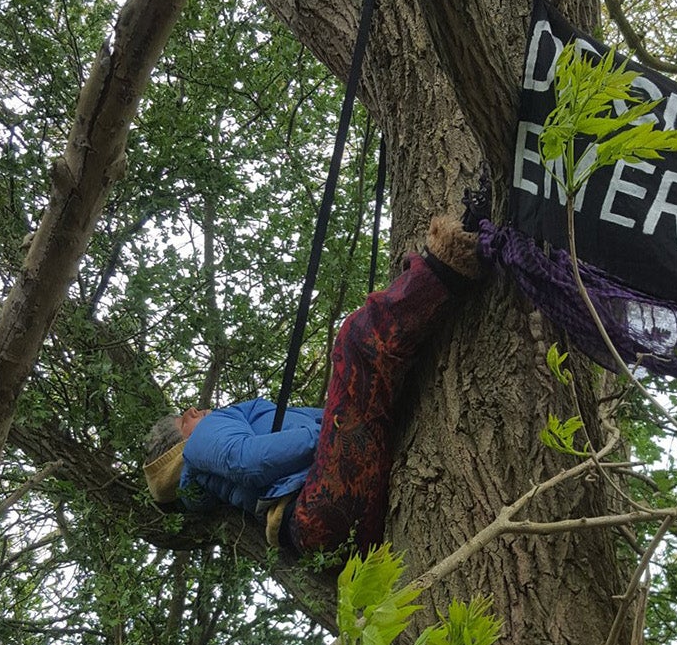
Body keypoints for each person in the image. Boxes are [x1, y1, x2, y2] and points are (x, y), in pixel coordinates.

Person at [144, 216, 485, 556]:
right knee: (357, 343)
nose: (193, 410)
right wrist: (328, 434)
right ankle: (446, 266)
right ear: (181, 437)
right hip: (318, 504)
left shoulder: (210, 484)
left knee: (381, 386)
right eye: (183, 419)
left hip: (332, 529)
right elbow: (245, 460)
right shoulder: (200, 442)